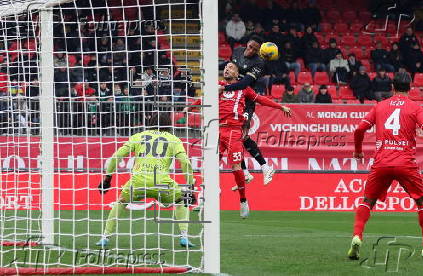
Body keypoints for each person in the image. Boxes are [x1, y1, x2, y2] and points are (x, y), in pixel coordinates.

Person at [348, 72, 423, 261]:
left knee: (367, 201)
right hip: (406, 163)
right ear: (410, 87)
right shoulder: (415, 107)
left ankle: (357, 237)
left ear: (392, 87)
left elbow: (359, 129)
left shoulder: (380, 106)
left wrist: (357, 151)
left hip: (382, 162)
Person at [185, 62, 291, 217]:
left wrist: (280, 107)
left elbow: (261, 99)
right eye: (226, 67)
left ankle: (243, 201)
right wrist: (191, 106)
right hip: (216, 130)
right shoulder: (218, 86)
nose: (227, 69)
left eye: (231, 68)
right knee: (207, 167)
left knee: (236, 167)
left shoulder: (244, 89)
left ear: (237, 74)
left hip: (234, 131)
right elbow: (204, 98)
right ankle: (210, 193)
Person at [96, 113, 197, 248]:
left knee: (121, 202)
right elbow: (185, 163)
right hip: (162, 183)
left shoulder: (138, 136)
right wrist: (190, 187)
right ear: (168, 125)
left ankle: (105, 237)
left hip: (138, 182)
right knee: (182, 200)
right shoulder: (174, 139)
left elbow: (117, 156)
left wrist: (107, 179)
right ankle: (184, 236)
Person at [219, 35, 276, 185]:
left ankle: (265, 167)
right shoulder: (237, 51)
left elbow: (244, 83)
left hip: (246, 101)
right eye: (250, 47)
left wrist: (224, 88)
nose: (250, 51)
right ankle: (247, 172)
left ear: (258, 51)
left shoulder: (258, 63)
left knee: (242, 135)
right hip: (234, 99)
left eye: (254, 50)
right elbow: (228, 64)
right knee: (236, 137)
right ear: (247, 44)